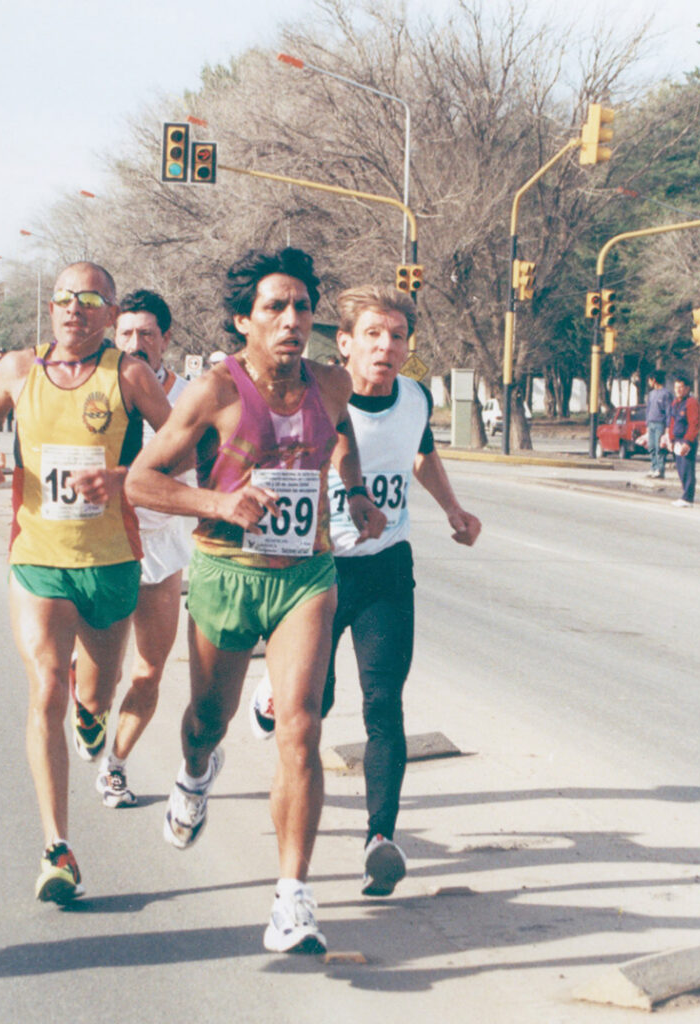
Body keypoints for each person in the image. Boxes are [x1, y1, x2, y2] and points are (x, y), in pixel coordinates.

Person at [124, 247, 384, 954]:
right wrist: (218, 501)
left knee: (300, 727)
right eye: (275, 307)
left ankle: (292, 899)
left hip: (306, 574)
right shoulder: (215, 392)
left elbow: (343, 444)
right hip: (226, 571)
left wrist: (355, 493)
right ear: (244, 320)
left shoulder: (331, 385)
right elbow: (141, 483)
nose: (292, 320)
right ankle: (194, 772)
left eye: (302, 306)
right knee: (209, 718)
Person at [249, 285, 482, 898]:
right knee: (313, 708)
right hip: (321, 571)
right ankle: (272, 692)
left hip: (385, 567)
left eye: (398, 336)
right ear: (345, 344)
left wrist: (455, 510)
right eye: (373, 335)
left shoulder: (416, 396)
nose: (386, 346)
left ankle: (381, 839)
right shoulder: (320, 397)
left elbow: (422, 455)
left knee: (385, 704)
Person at [0, 261, 171, 903]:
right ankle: (57, 849)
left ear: (110, 314)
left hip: (111, 561)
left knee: (95, 691)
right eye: (62, 299)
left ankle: (94, 713)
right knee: (47, 685)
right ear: (49, 310)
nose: (72, 308)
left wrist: (124, 477)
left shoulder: (129, 374)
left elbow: (185, 448)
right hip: (39, 554)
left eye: (88, 299)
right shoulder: (18, 370)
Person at [93, 288, 194, 809]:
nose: (136, 344)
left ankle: (115, 764)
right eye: (126, 333)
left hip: (163, 552)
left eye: (147, 334)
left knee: (149, 671)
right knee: (99, 680)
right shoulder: (98, 385)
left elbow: (205, 463)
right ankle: (89, 712)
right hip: (105, 549)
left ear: (166, 339)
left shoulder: (193, 398)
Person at [663, 373, 700, 507]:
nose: (678, 390)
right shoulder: (675, 403)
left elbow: (694, 423)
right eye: (676, 387)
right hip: (677, 441)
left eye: (681, 387)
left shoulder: (691, 403)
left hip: (686, 441)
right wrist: (670, 440)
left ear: (687, 388)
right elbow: (672, 421)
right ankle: (684, 494)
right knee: (680, 469)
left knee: (687, 469)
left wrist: (688, 442)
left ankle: (688, 497)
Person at [643, 371, 673, 479]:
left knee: (659, 447)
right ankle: (653, 467)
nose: (649, 382)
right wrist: (647, 424)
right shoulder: (651, 394)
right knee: (651, 446)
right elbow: (648, 409)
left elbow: (669, 411)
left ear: (654, 380)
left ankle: (660, 469)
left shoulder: (666, 394)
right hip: (651, 423)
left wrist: (668, 428)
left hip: (661, 424)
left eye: (649, 380)